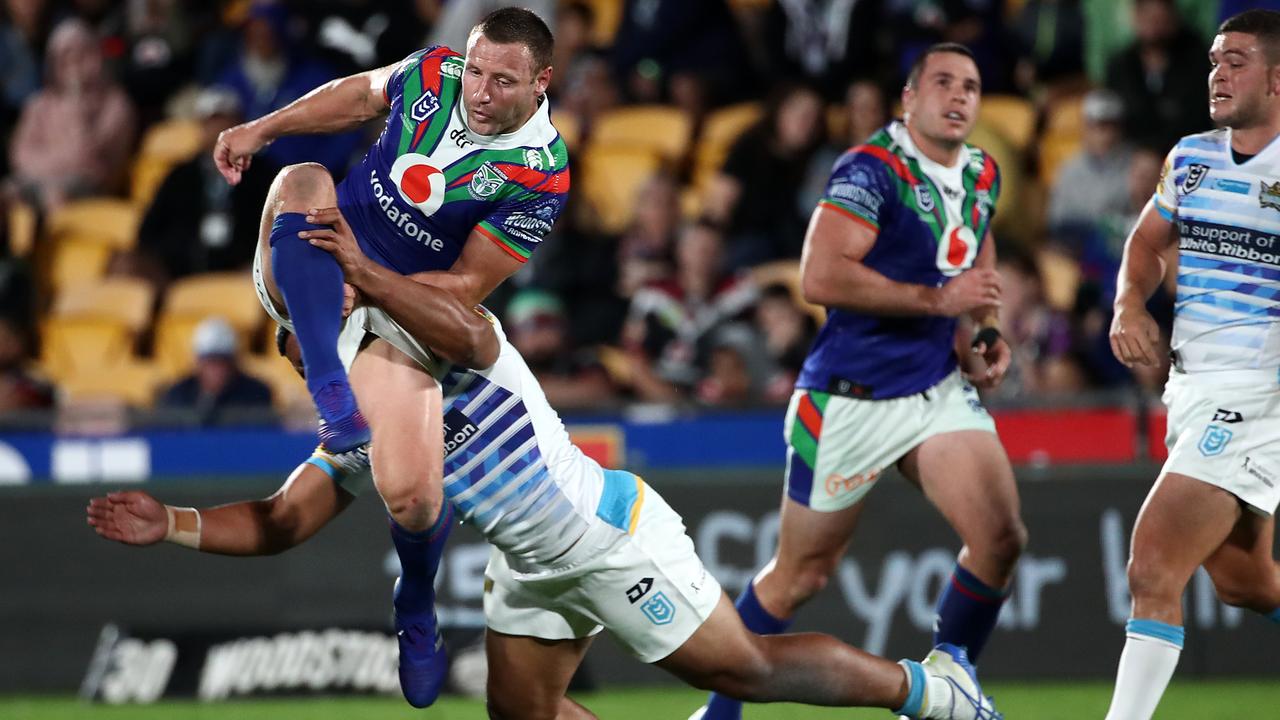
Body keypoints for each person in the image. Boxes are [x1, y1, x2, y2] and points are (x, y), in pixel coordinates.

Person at [88, 209, 1003, 720]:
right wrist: (172, 524)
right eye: (296, 343)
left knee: (742, 673)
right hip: (528, 574)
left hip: (606, 537)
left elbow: (477, 327)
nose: (302, 353)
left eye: (311, 335)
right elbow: (283, 519)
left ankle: (930, 692)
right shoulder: (359, 439)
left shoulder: (430, 341)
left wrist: (366, 274)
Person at [216, 8, 570, 703]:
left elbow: (466, 286)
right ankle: (327, 383)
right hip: (313, 265)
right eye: (476, 71)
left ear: (541, 82)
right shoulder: (435, 72)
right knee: (305, 180)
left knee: (411, 498)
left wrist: (369, 284)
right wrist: (262, 128)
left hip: (401, 312)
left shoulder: (541, 175)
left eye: (503, 81)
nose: (480, 92)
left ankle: (415, 605)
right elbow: (357, 95)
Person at [697, 43, 1026, 720]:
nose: (959, 96)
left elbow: (975, 247)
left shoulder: (983, 172)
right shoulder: (871, 171)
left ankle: (951, 683)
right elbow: (821, 277)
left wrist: (983, 328)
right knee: (799, 578)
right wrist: (942, 303)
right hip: (849, 399)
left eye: (970, 85)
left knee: (1000, 539)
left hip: (934, 390)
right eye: (943, 82)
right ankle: (718, 712)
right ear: (909, 99)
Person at [1104, 11, 1280, 720]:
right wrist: (1127, 306)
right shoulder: (1191, 159)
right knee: (1243, 583)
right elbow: (1145, 246)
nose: (1218, 73)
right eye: (1213, 61)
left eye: (1236, 60)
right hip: (1195, 389)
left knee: (1152, 563)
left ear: (1277, 77)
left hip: (1260, 394)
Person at [156, 316, 274, 424]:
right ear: (198, 363)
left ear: (234, 364)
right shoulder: (178, 395)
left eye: (223, 362)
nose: (217, 369)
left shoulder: (255, 395)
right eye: (211, 361)